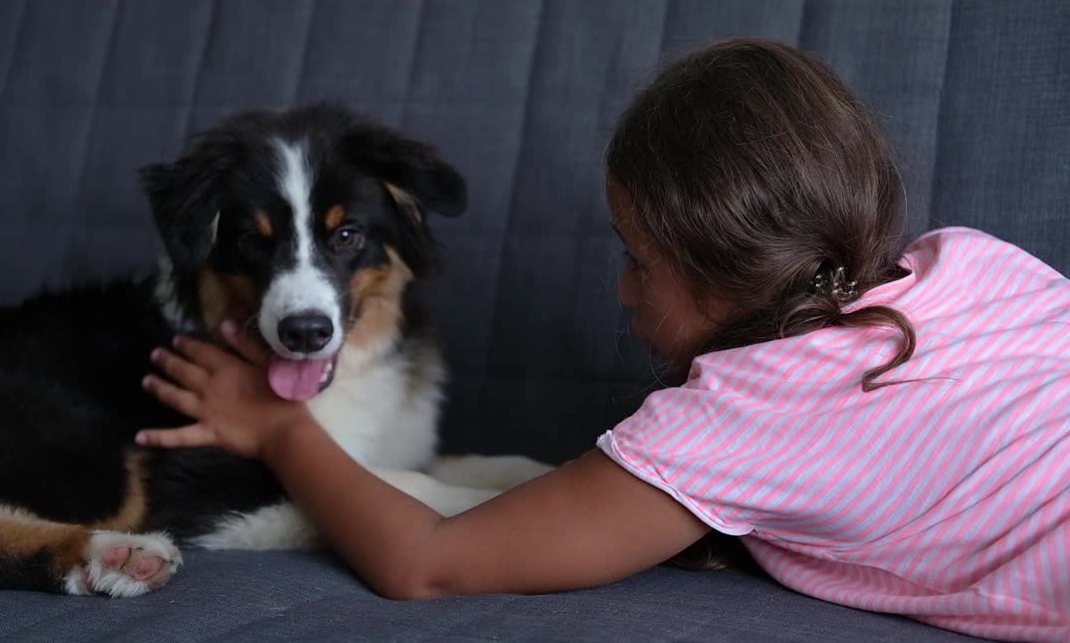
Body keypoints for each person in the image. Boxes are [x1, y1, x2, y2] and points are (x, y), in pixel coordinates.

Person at [134, 38, 1069, 642]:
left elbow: (426, 563)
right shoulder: (969, 260)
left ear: (722, 267)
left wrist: (278, 428)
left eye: (639, 259)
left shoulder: (731, 427)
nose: (621, 288)